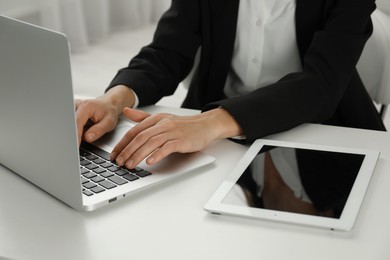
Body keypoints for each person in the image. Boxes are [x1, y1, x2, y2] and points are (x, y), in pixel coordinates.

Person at [76, 0, 386, 214]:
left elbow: (321, 85)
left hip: (317, 129)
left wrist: (209, 123)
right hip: (218, 130)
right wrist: (112, 100)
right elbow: (168, 51)